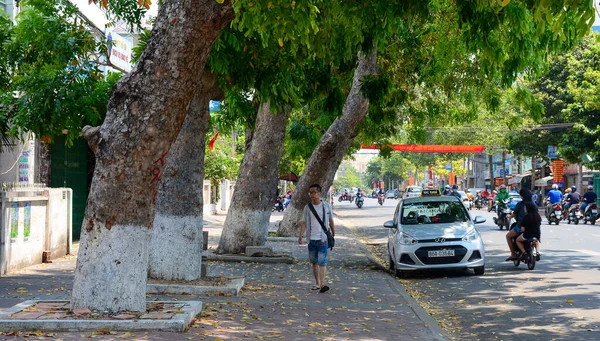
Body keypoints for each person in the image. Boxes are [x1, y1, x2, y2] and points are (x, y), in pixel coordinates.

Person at [298, 184, 335, 293]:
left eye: (314, 192)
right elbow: (304, 222)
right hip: (311, 239)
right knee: (314, 261)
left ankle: (322, 284)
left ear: (319, 193)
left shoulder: (326, 206)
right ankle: (317, 283)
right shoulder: (307, 207)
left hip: (322, 239)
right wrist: (301, 235)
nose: (311, 194)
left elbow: (331, 220)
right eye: (310, 192)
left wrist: (333, 233)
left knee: (322, 261)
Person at [505, 188, 532, 261]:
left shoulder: (520, 204)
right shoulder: (534, 204)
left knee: (508, 236)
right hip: (533, 227)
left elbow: (514, 214)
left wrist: (509, 216)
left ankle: (513, 255)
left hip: (521, 226)